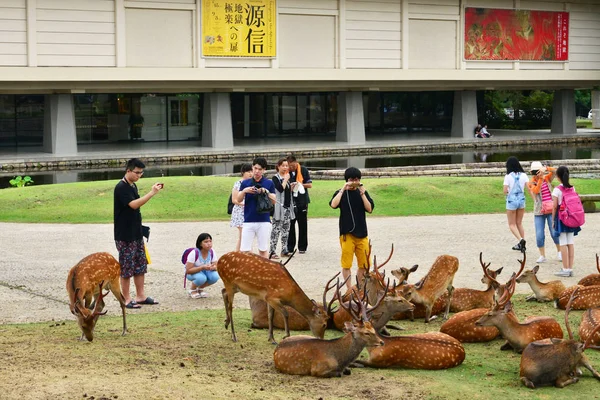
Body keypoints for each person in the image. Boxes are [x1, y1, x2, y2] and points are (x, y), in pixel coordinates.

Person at [114, 158, 163, 309]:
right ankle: (126, 298)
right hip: (125, 235)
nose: (139, 176)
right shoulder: (121, 187)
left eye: (141, 173)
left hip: (136, 233)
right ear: (128, 171)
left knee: (140, 265)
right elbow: (133, 205)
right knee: (126, 268)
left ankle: (140, 295)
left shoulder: (132, 185)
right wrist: (152, 193)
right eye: (137, 173)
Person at [329, 167, 374, 292]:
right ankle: (349, 289)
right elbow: (333, 204)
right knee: (346, 264)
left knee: (364, 265)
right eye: (351, 179)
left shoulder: (362, 193)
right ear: (347, 180)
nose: (354, 181)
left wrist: (363, 193)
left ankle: (359, 287)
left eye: (356, 179)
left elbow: (369, 209)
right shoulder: (341, 193)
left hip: (362, 234)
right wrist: (343, 189)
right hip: (347, 234)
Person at [237, 157, 276, 258]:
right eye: (255, 168)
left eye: (259, 169)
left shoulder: (269, 183)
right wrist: (245, 191)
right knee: (245, 250)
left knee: (263, 249)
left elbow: (274, 201)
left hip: (263, 220)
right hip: (248, 220)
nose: (257, 171)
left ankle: (263, 271)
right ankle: (246, 271)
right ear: (252, 167)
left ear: (264, 170)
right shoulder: (245, 183)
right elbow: (239, 199)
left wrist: (266, 192)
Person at [526, 161, 561, 263]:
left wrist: (546, 169)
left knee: (554, 232)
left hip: (551, 210)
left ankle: (559, 252)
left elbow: (555, 171)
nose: (536, 174)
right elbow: (536, 191)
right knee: (539, 234)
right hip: (539, 211)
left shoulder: (547, 178)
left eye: (537, 171)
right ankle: (542, 255)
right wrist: (540, 179)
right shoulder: (531, 182)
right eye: (534, 172)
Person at [552, 166, 582, 277]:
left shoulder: (557, 190)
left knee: (563, 243)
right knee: (570, 242)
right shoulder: (572, 188)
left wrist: (553, 220)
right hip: (572, 217)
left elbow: (554, 206)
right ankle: (570, 268)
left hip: (561, 218)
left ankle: (565, 269)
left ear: (558, 176)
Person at [287, 155, 312, 254]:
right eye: (289, 166)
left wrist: (300, 185)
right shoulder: (286, 172)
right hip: (290, 201)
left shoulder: (303, 170)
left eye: (292, 166)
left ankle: (302, 247)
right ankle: (290, 247)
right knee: (290, 224)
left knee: (302, 224)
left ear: (296, 163)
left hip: (302, 200)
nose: (291, 168)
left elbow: (310, 184)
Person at [269, 158, 295, 259]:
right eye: (283, 166)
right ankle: (272, 250)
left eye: (286, 166)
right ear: (278, 166)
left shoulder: (287, 177)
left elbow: (287, 191)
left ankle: (284, 249)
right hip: (279, 207)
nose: (285, 168)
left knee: (286, 230)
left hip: (287, 207)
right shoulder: (275, 178)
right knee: (276, 229)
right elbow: (280, 189)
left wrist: (292, 186)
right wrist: (285, 180)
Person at [503, 156, 529, 253]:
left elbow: (505, 190)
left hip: (512, 201)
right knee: (519, 223)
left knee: (512, 224)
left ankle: (520, 240)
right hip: (521, 200)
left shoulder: (508, 176)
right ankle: (522, 244)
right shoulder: (524, 175)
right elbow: (528, 187)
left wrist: (507, 193)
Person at [185, 233, 220, 298]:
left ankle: (200, 289)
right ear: (200, 243)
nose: (209, 243)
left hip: (205, 271)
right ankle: (192, 290)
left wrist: (213, 267)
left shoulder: (212, 251)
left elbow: (216, 266)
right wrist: (202, 267)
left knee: (215, 277)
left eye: (210, 241)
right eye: (206, 242)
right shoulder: (194, 253)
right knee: (201, 278)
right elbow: (188, 270)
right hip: (193, 272)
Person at [230, 163, 253, 252]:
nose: (250, 173)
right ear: (243, 172)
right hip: (240, 212)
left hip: (250, 211)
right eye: (248, 171)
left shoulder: (253, 183)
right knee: (243, 234)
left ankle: (247, 253)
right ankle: (239, 254)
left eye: (251, 171)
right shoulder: (238, 183)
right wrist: (244, 204)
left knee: (248, 234)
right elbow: (234, 200)